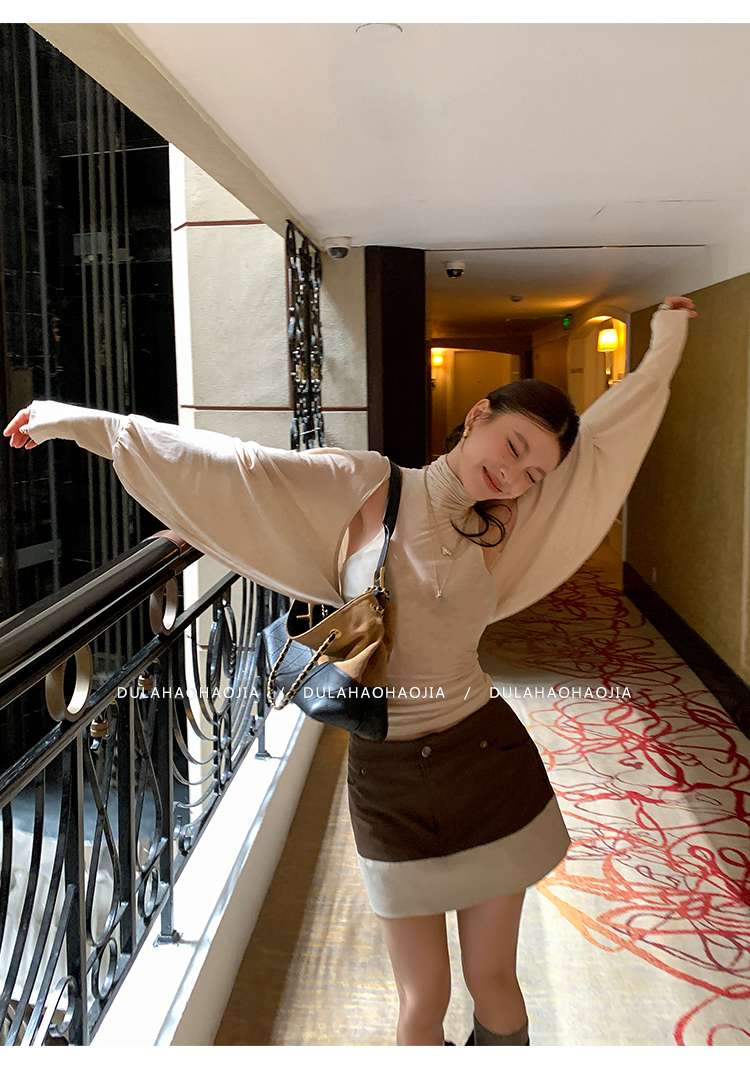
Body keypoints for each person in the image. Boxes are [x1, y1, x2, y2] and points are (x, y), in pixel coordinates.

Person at [4, 295, 696, 1046]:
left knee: (495, 981)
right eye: (514, 444)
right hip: (389, 780)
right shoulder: (370, 484)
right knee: (423, 998)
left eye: (533, 472)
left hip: (488, 763)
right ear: (478, 415)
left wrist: (665, 339)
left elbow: (605, 447)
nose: (513, 474)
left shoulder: (506, 523)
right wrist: (82, 423)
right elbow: (244, 472)